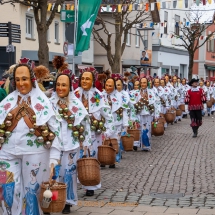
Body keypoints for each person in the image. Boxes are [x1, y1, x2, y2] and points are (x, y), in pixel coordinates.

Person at [0, 61, 62, 215]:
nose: (21, 83)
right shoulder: (6, 102)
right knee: (8, 190)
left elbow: (56, 130)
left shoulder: (44, 102)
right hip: (7, 152)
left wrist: (54, 158)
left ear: (32, 79)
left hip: (35, 152)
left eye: (25, 79)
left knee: (31, 192)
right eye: (18, 79)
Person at [49, 73, 91, 213]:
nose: (60, 88)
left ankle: (67, 201)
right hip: (54, 145)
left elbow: (85, 123)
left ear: (69, 87)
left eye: (64, 85)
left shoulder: (76, 103)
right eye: (58, 85)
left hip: (71, 145)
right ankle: (53, 199)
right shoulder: (49, 103)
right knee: (54, 173)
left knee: (69, 174)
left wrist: (85, 143)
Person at [74, 69, 114, 196]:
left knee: (91, 157)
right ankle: (74, 183)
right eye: (83, 78)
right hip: (76, 133)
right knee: (76, 158)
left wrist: (108, 130)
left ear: (93, 81)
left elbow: (107, 114)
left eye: (88, 79)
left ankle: (90, 185)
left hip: (92, 132)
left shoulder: (98, 95)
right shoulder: (74, 94)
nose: (85, 81)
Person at [103, 77, 129, 164]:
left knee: (115, 142)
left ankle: (113, 160)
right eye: (106, 85)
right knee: (104, 142)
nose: (107, 87)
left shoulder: (120, 96)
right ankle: (103, 159)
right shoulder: (100, 95)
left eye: (110, 86)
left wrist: (125, 125)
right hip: (104, 124)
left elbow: (125, 111)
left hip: (117, 123)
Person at [129, 77, 159, 151]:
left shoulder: (152, 92)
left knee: (147, 129)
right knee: (139, 128)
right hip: (139, 113)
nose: (143, 84)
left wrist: (156, 115)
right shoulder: (136, 93)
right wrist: (132, 117)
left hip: (148, 113)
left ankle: (146, 145)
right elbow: (132, 105)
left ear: (147, 83)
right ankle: (136, 143)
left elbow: (156, 103)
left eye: (144, 83)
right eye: (141, 83)